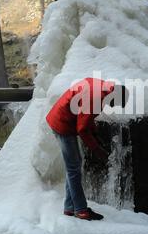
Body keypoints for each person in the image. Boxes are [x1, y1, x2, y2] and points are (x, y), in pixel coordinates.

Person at [46, 78, 129, 221]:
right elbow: (82, 128)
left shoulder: (102, 88)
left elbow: (86, 117)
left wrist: (95, 135)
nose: (111, 106)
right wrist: (96, 149)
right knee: (73, 168)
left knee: (74, 167)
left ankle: (70, 208)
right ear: (113, 95)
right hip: (63, 124)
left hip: (64, 119)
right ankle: (81, 211)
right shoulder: (95, 97)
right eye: (113, 103)